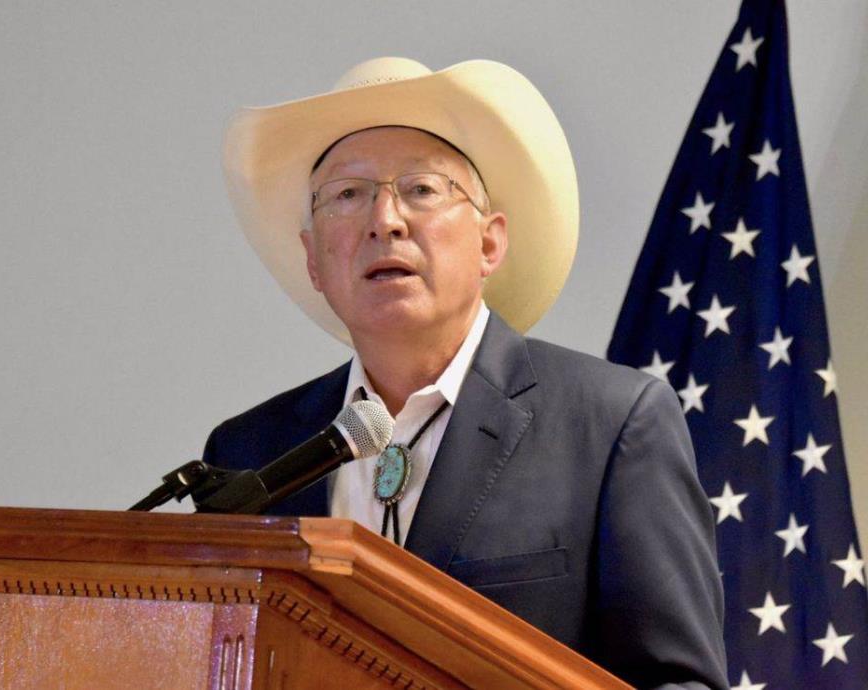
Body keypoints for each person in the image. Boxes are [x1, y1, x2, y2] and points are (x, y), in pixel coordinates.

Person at [204, 58, 728, 689]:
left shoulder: (612, 425)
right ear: (313, 259)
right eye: (348, 195)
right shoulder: (250, 455)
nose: (384, 219)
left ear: (489, 243)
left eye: (422, 189)